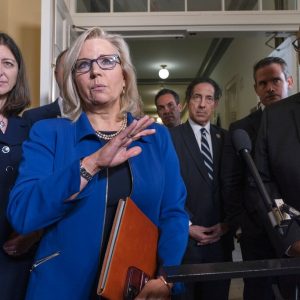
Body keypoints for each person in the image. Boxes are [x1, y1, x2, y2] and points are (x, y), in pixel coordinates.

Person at [7, 27, 189, 300]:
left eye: (107, 61)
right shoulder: (49, 133)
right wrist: (92, 163)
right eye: (84, 65)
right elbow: (23, 214)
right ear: (74, 81)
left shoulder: (156, 137)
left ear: (125, 77)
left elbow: (173, 213)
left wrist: (166, 277)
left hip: (137, 286)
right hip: (62, 287)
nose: (96, 72)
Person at [221, 56, 293, 300]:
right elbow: (231, 182)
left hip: (297, 231)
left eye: (276, 80)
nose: (270, 88)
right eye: (263, 84)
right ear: (255, 89)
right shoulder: (240, 128)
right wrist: (240, 226)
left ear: (288, 81)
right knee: (259, 292)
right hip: (257, 232)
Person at [169, 77, 233, 300]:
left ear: (215, 103)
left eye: (209, 98)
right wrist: (186, 225)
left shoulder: (227, 138)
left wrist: (227, 223)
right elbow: (165, 188)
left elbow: (233, 186)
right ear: (188, 102)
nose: (203, 104)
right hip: (185, 243)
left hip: (220, 242)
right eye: (197, 97)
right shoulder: (171, 138)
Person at [0, 32, 41, 300]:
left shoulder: (30, 130)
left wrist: (34, 234)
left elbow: (45, 193)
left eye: (8, 63)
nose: (1, 71)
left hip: (14, 253)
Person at [22, 49, 68, 125]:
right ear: (56, 74)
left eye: (76, 66)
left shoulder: (93, 116)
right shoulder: (33, 118)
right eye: (67, 66)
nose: (71, 72)